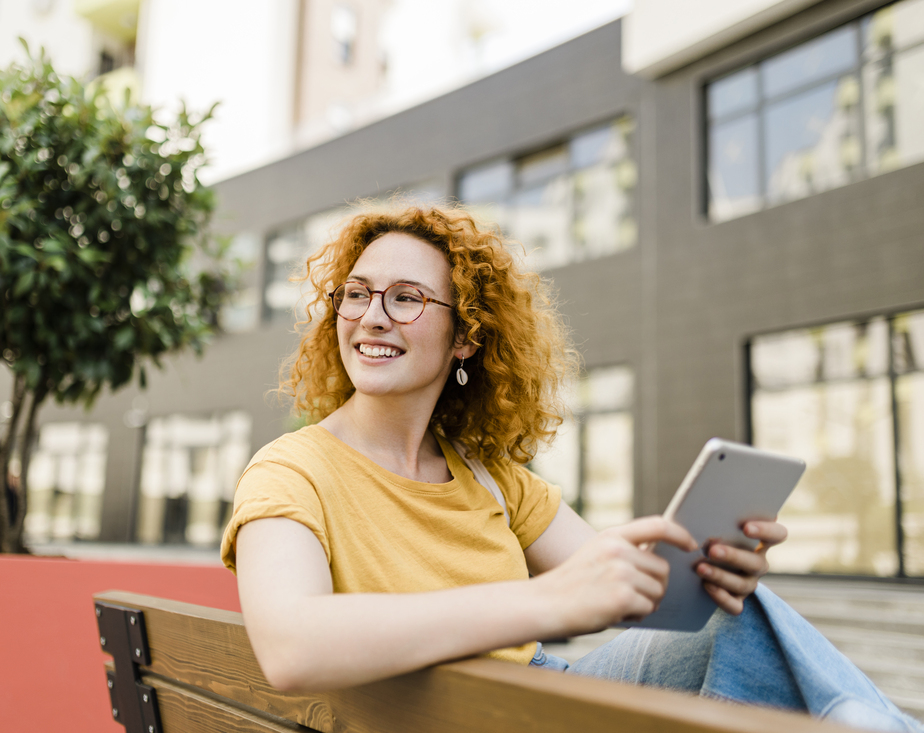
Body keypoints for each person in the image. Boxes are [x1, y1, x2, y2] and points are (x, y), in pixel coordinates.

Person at [221, 206, 920, 731]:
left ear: (466, 335)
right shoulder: (290, 470)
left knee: (742, 618)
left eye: (405, 297)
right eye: (356, 293)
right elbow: (291, 646)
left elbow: (628, 587)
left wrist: (702, 567)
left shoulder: (489, 476)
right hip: (492, 717)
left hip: (536, 700)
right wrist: (544, 603)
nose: (372, 316)